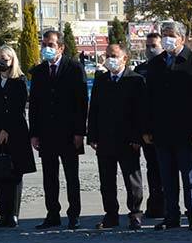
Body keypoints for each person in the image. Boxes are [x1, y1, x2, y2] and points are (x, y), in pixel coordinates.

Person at [143, 22, 192, 231]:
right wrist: (147, 128)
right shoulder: (156, 64)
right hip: (162, 131)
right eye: (164, 35)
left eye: (170, 35)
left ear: (182, 38)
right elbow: (148, 100)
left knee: (188, 175)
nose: (166, 39)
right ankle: (171, 215)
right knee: (167, 176)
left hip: (186, 131)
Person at [28, 30, 88, 230]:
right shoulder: (38, 71)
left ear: (61, 47)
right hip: (46, 133)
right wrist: (34, 133)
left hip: (69, 132)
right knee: (49, 177)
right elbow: (34, 105)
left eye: (51, 45)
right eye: (44, 44)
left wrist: (80, 132)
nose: (46, 48)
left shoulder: (74, 68)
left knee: (72, 176)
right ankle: (52, 213)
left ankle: (74, 215)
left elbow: (81, 103)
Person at [87, 44, 147, 230]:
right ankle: (110, 215)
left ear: (124, 58)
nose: (109, 59)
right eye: (107, 55)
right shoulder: (101, 79)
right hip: (105, 138)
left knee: (132, 179)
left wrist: (138, 138)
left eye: (114, 55)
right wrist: (92, 136)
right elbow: (94, 110)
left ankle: (135, 213)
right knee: (106, 180)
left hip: (128, 140)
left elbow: (141, 112)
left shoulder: (135, 80)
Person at [0, 46, 33, 227]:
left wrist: (6, 129)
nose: (1, 62)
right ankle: (3, 214)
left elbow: (18, 109)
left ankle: (13, 214)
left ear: (12, 60)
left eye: (5, 59)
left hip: (15, 134)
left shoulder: (19, 81)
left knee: (14, 174)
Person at [133, 32, 165, 218]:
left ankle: (169, 204)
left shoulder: (167, 66)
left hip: (165, 127)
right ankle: (155, 204)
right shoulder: (141, 70)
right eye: (147, 46)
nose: (150, 49)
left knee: (167, 169)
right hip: (146, 130)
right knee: (152, 168)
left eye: (154, 45)